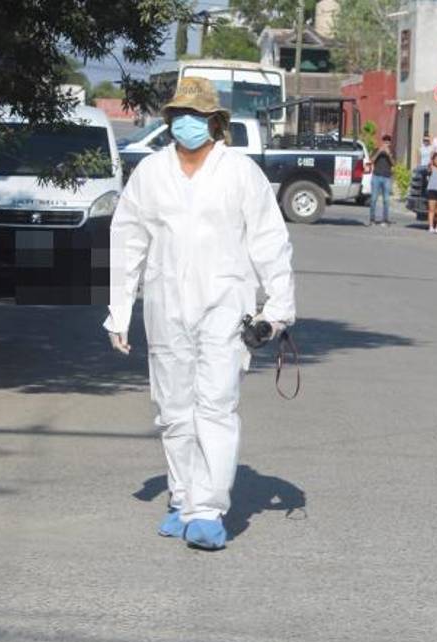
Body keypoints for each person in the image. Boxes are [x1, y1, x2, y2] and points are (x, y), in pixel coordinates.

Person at [104, 77, 296, 550]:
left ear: (215, 122)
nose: (186, 124)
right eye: (178, 116)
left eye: (196, 116)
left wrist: (278, 310)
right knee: (172, 409)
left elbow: (270, 241)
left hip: (224, 307)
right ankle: (182, 496)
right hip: (166, 305)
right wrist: (119, 311)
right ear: (169, 121)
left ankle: (208, 511)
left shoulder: (240, 173)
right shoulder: (151, 174)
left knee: (214, 405)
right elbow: (128, 242)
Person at [368, 135, 395, 226]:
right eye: (384, 142)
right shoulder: (376, 150)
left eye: (388, 142)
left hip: (387, 177)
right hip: (376, 176)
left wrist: (388, 154)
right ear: (382, 142)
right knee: (373, 199)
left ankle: (385, 220)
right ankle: (372, 219)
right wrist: (379, 152)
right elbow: (371, 161)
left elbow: (393, 163)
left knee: (386, 200)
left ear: (390, 143)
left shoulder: (391, 151)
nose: (386, 144)